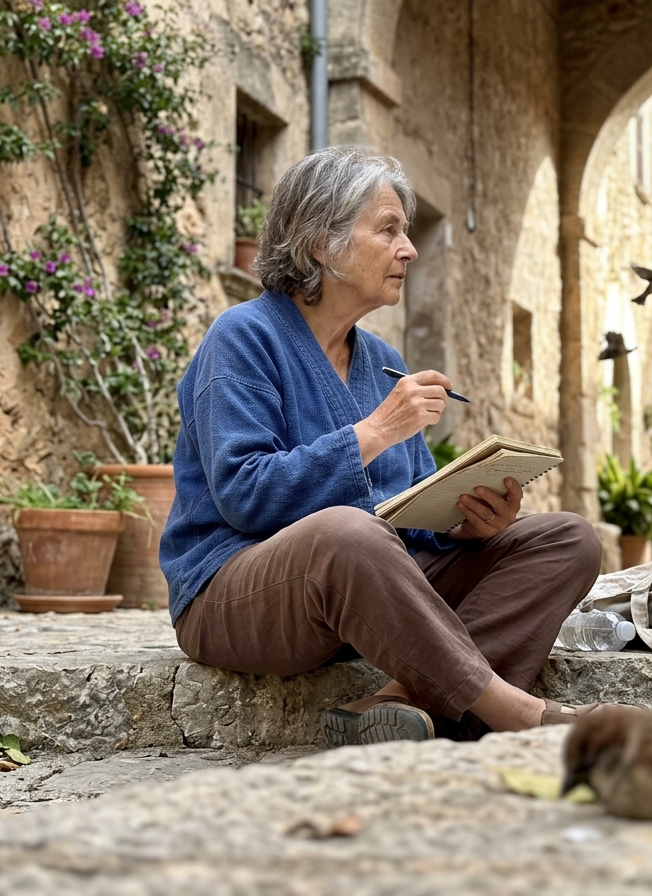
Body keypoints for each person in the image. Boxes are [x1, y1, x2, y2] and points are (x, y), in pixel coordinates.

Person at [161, 146, 603, 745]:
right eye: (389, 229)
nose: (409, 249)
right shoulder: (241, 338)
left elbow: (408, 515)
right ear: (321, 241)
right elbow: (245, 497)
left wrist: (464, 526)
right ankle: (514, 713)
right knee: (348, 531)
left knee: (568, 539)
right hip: (237, 595)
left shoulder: (383, 364)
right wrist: (373, 433)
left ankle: (398, 703)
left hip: (367, 591)